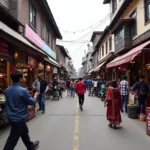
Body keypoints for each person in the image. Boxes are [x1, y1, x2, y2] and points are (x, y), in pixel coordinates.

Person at [3, 71, 39, 150]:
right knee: (12, 140)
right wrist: (35, 96)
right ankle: (30, 146)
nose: (24, 79)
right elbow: (32, 101)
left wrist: (25, 107)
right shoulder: (23, 90)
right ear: (20, 79)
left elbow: (15, 103)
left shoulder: (7, 90)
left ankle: (30, 146)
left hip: (12, 117)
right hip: (19, 118)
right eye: (23, 77)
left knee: (24, 132)